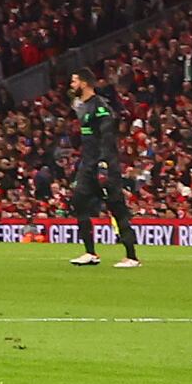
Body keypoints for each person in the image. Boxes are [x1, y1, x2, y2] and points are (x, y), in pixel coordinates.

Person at [61, 72, 137, 270]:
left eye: (74, 81)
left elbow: (107, 136)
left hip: (104, 164)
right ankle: (90, 253)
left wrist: (104, 164)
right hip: (87, 163)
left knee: (116, 207)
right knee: (79, 202)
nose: (71, 84)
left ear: (84, 83)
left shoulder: (100, 106)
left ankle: (131, 256)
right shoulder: (80, 104)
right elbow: (71, 102)